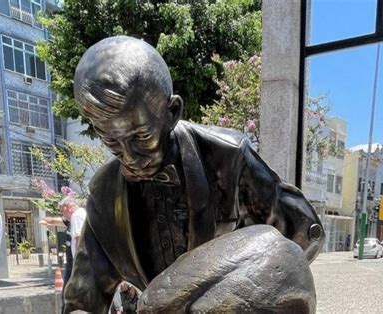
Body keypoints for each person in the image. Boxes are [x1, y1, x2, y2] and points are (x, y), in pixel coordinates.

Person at [63, 36, 325, 313]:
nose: (129, 157)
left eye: (141, 136)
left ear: (172, 111)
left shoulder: (227, 157)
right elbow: (83, 299)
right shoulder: (104, 193)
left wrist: (243, 288)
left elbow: (303, 234)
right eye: (112, 141)